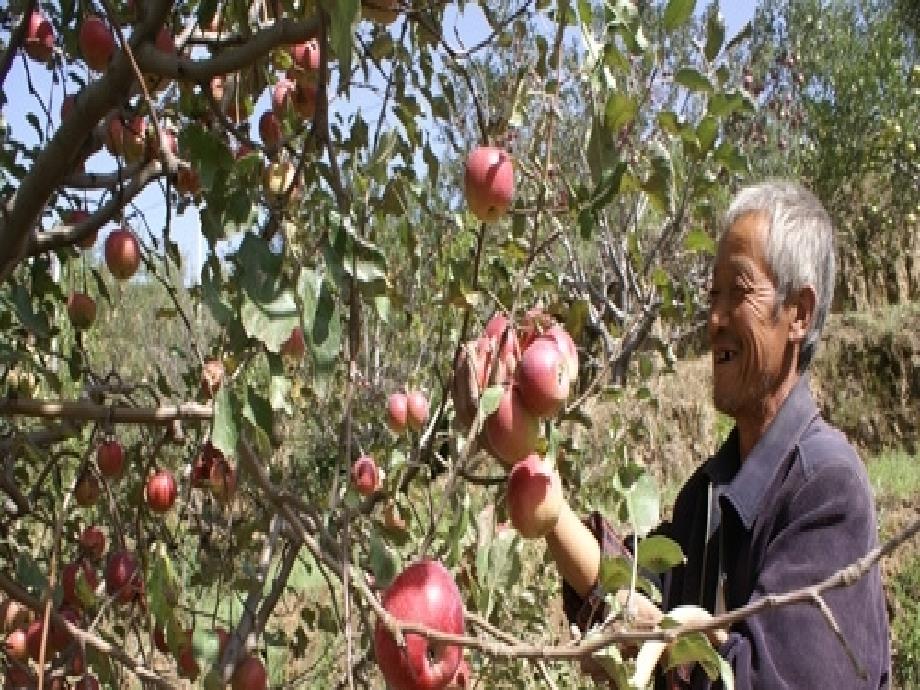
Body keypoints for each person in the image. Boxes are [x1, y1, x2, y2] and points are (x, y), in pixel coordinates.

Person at [540, 180, 891, 688]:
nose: (715, 320)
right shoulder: (708, 498)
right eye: (712, 295)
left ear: (799, 313)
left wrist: (663, 646)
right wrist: (536, 483)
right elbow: (626, 589)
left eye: (740, 291)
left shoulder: (825, 490)